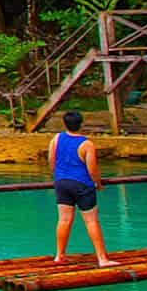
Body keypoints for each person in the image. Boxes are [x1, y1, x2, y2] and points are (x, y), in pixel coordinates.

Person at [50, 110, 114, 268]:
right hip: (81, 184)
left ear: (65, 124)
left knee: (64, 219)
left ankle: (59, 255)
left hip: (61, 182)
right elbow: (92, 169)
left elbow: (51, 160)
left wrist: (58, 177)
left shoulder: (56, 139)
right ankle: (102, 259)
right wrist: (98, 184)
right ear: (81, 124)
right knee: (91, 221)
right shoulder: (87, 144)